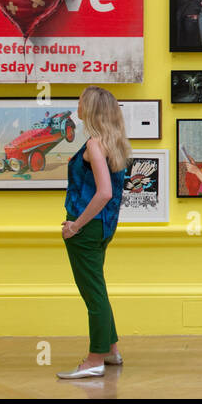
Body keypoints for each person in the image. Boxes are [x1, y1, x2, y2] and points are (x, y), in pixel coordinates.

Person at [57, 86, 132, 380]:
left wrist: (75, 226)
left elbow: (103, 193)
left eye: (80, 101)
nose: (77, 105)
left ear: (90, 109)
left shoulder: (93, 145)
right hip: (104, 227)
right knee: (98, 286)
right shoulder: (112, 144)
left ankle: (94, 359)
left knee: (93, 294)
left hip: (86, 228)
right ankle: (111, 350)